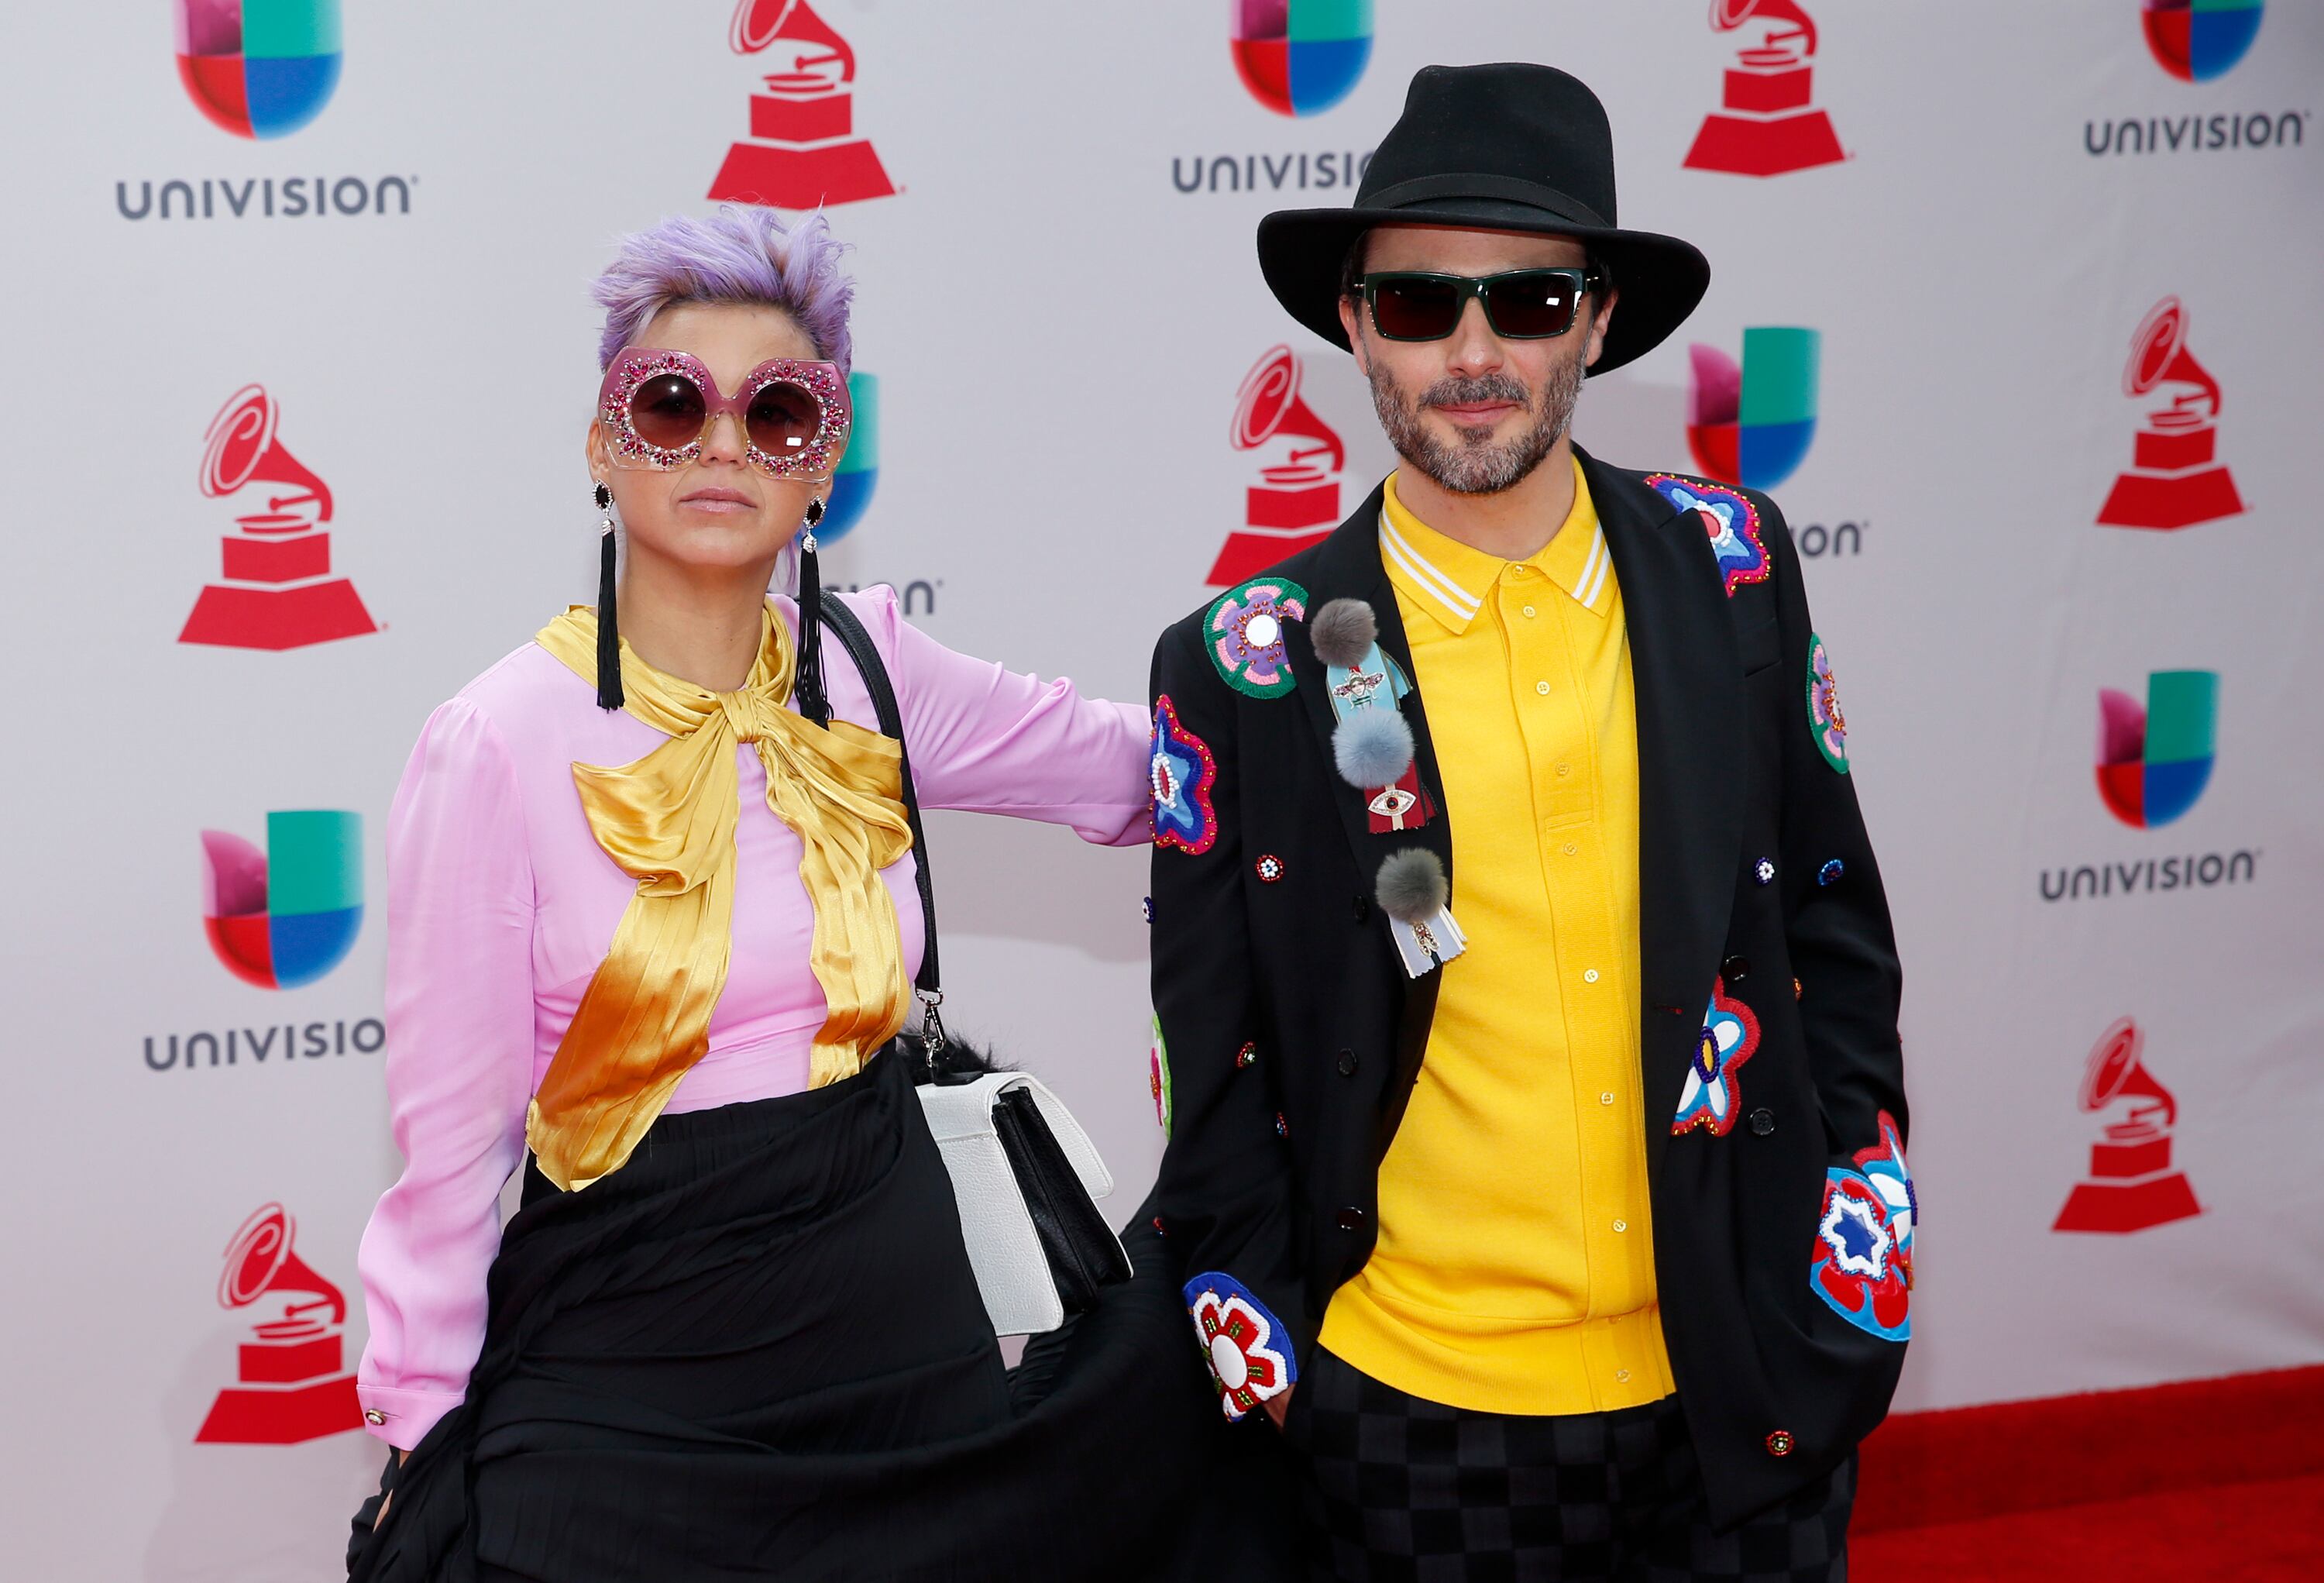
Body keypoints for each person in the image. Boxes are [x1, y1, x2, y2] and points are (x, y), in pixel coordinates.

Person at [348, 206, 1232, 1582]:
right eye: (670, 404)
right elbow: (453, 1152)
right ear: (602, 445)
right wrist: (423, 1441)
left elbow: (1147, 771)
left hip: (901, 1339)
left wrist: (1343, 696)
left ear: (822, 466)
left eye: (777, 414)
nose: (722, 445)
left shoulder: (870, 668)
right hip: (627, 1353)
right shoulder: (495, 741)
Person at [1146, 64, 1909, 1580]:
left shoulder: (1733, 566)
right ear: (1355, 322)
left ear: (1599, 319)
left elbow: (1834, 921)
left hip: (1743, 1388)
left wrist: (1853, 1262)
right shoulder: (1246, 659)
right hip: (1411, 1421)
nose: (1475, 352)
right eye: (1419, 302)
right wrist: (1288, 1380)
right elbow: (1211, 1058)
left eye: (1532, 300)